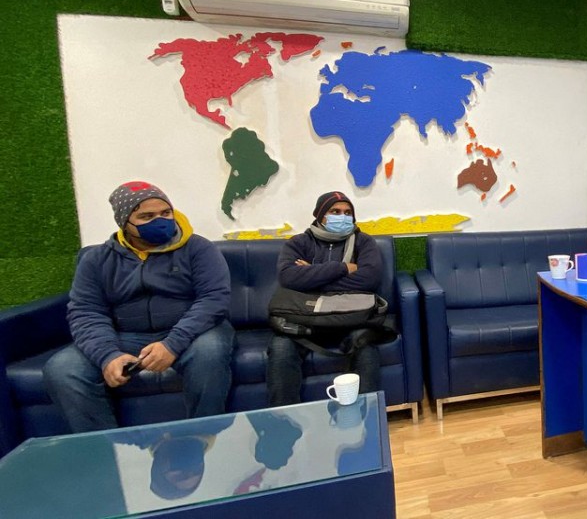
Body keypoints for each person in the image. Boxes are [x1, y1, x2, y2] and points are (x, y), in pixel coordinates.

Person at [44, 181, 234, 433]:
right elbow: (86, 312)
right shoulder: (96, 260)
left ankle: (203, 439)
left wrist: (172, 344)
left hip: (192, 332)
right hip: (125, 337)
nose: (160, 220)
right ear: (124, 222)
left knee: (210, 352)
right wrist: (107, 355)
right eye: (146, 216)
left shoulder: (198, 249)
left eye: (165, 213)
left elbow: (213, 299)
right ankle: (106, 454)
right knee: (61, 368)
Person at [267, 191, 383, 407]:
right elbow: (288, 277)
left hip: (350, 319)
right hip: (304, 320)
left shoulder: (363, 242)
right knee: (281, 348)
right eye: (335, 211)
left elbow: (369, 279)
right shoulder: (298, 243)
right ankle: (284, 424)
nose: (343, 217)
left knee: (366, 345)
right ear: (321, 215)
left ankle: (368, 420)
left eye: (348, 213)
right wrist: (343, 268)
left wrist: (311, 276)